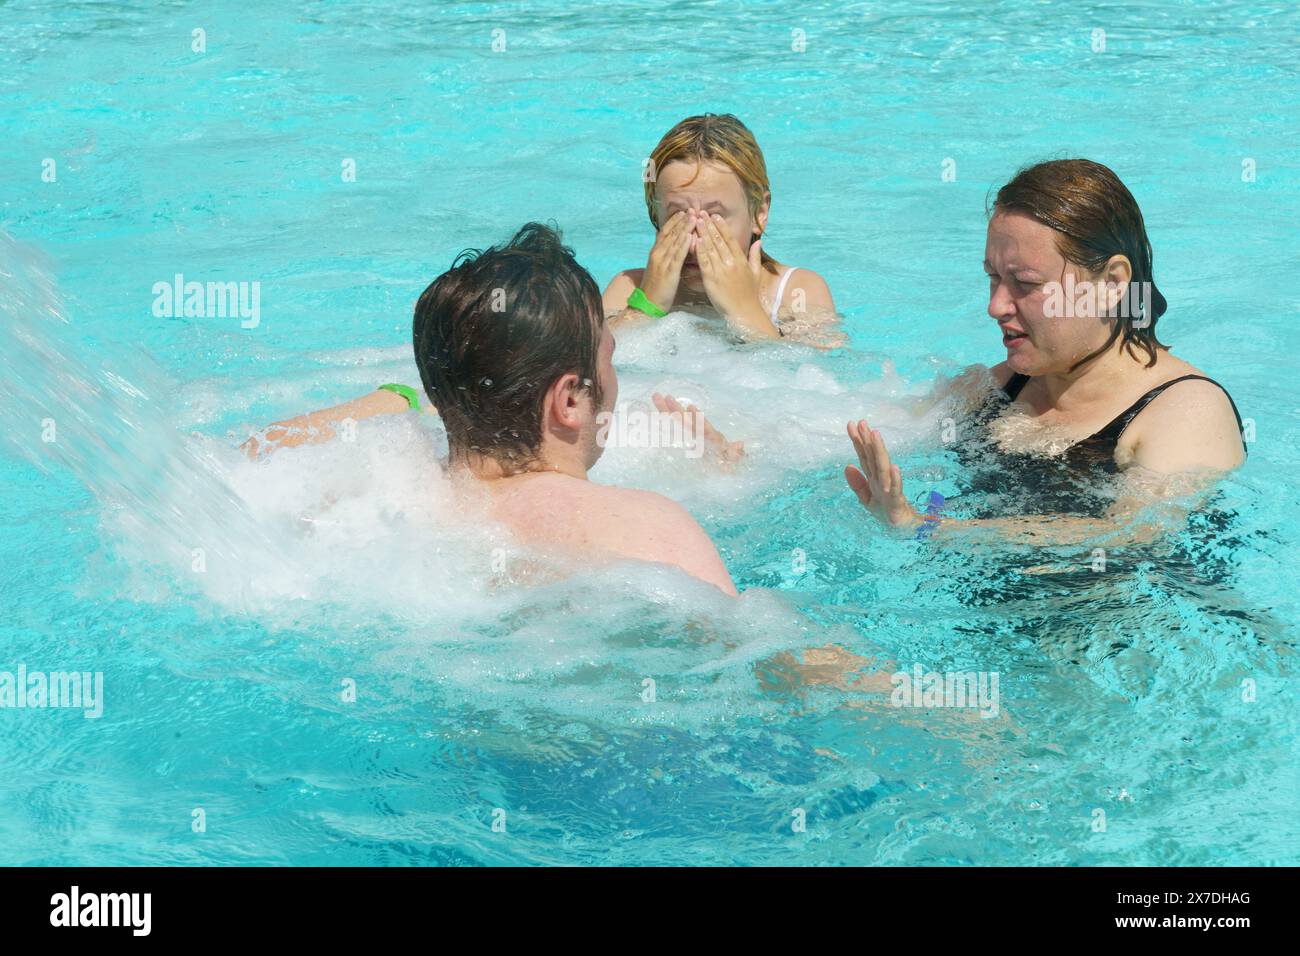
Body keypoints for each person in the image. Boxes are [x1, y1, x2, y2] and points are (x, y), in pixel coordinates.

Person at [245, 223, 739, 595]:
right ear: (569, 400)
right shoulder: (645, 528)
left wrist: (393, 401)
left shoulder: (380, 498)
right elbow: (761, 680)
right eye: (609, 355)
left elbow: (240, 464)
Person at [844, 158, 1246, 541]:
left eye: (1026, 283)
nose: (995, 306)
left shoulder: (1185, 410)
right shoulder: (999, 388)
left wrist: (925, 526)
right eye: (993, 277)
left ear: (1111, 284)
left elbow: (1131, 537)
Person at [602, 113, 839, 343]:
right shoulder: (628, 290)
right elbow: (589, 369)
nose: (694, 241)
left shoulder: (796, 292)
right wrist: (646, 307)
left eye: (715, 217)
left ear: (759, 213)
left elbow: (819, 377)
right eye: (678, 216)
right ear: (656, 214)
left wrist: (745, 311)